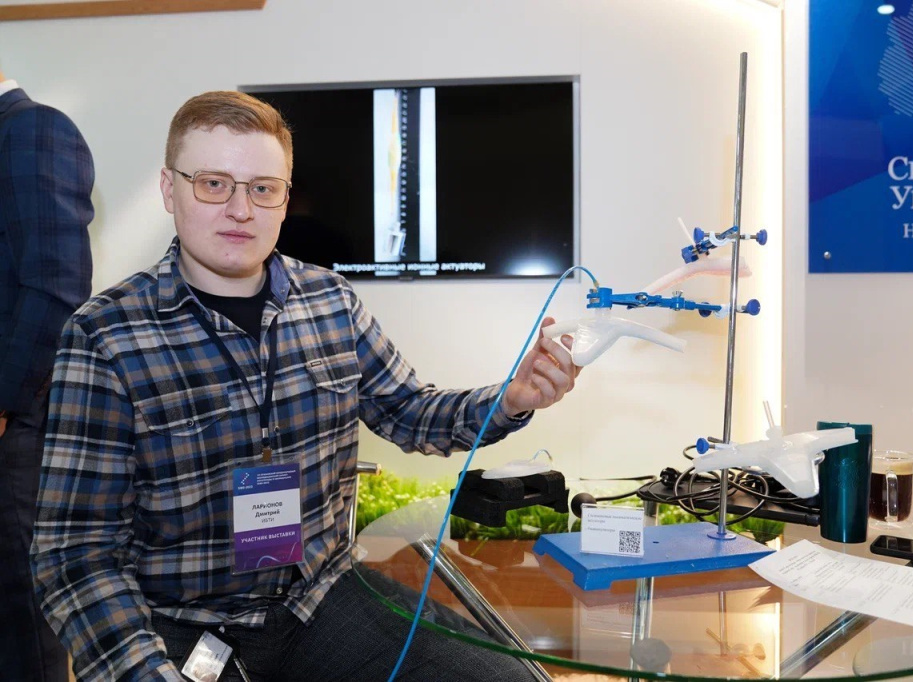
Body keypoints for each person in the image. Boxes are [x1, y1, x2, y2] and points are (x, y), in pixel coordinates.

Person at [31, 90, 579, 681]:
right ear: (170, 189)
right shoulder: (106, 336)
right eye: (214, 184)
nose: (241, 209)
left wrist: (512, 398)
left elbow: (408, 411)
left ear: (285, 199)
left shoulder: (331, 301)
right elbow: (74, 555)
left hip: (320, 601)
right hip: (185, 625)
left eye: (263, 188)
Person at [0, 70, 94, 681]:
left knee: (20, 636)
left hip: (13, 432)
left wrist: (2, 405)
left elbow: (56, 286)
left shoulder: (32, 128)